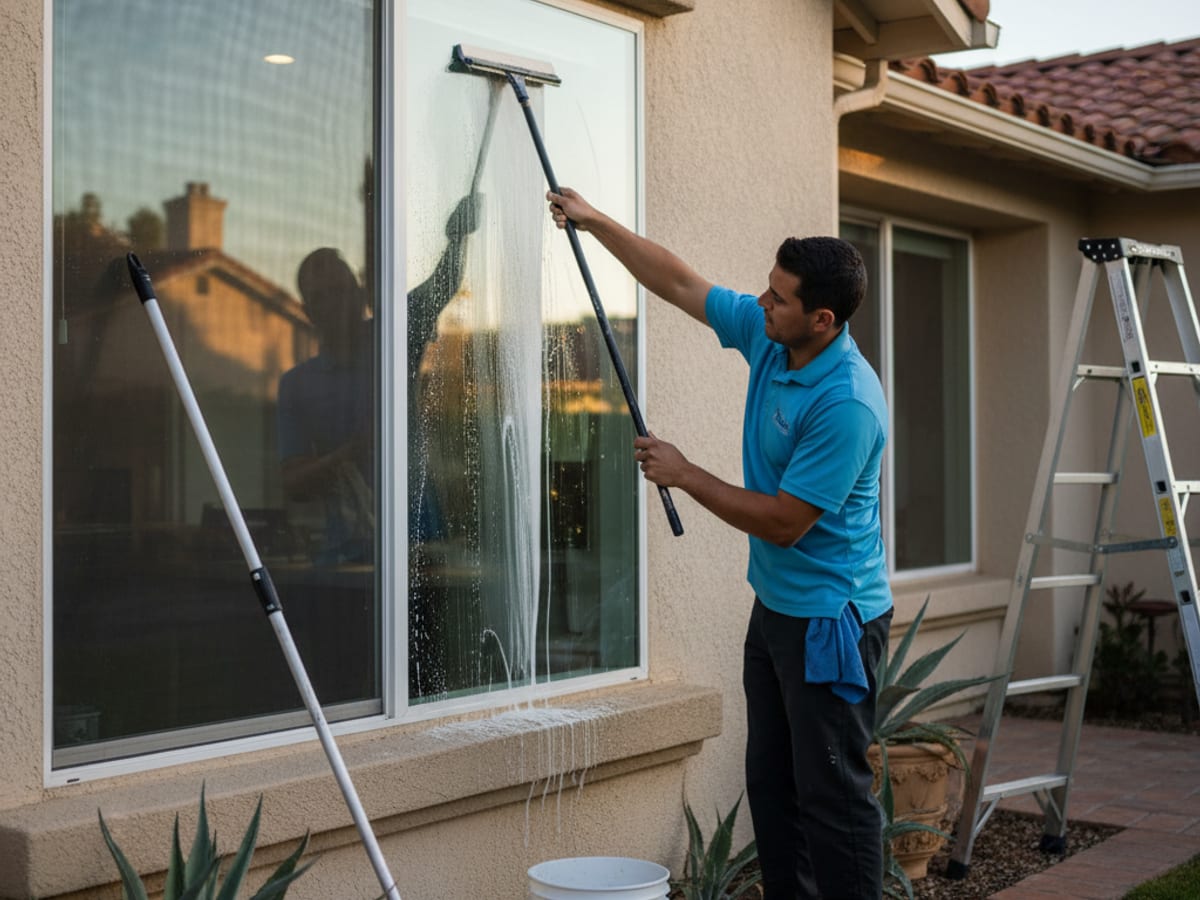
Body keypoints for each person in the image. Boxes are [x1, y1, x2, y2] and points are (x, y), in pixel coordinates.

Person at [547, 187, 894, 899]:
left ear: (822, 320)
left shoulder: (847, 402)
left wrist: (686, 473)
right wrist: (596, 221)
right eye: (767, 289)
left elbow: (786, 522)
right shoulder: (774, 340)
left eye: (779, 298)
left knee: (833, 799)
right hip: (776, 611)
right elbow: (681, 282)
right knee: (772, 786)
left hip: (831, 622)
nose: (762, 303)